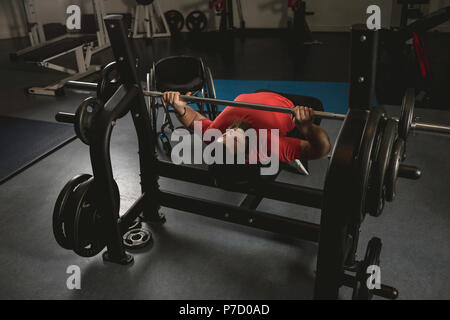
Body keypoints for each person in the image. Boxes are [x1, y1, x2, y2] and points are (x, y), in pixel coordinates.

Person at [162, 90, 331, 168]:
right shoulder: (268, 144)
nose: (230, 130)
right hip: (290, 104)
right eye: (235, 137)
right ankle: (297, 138)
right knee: (317, 107)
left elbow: (193, 120)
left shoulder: (215, 137)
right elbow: (320, 149)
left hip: (260, 93)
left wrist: (180, 107)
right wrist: (307, 128)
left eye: (226, 133)